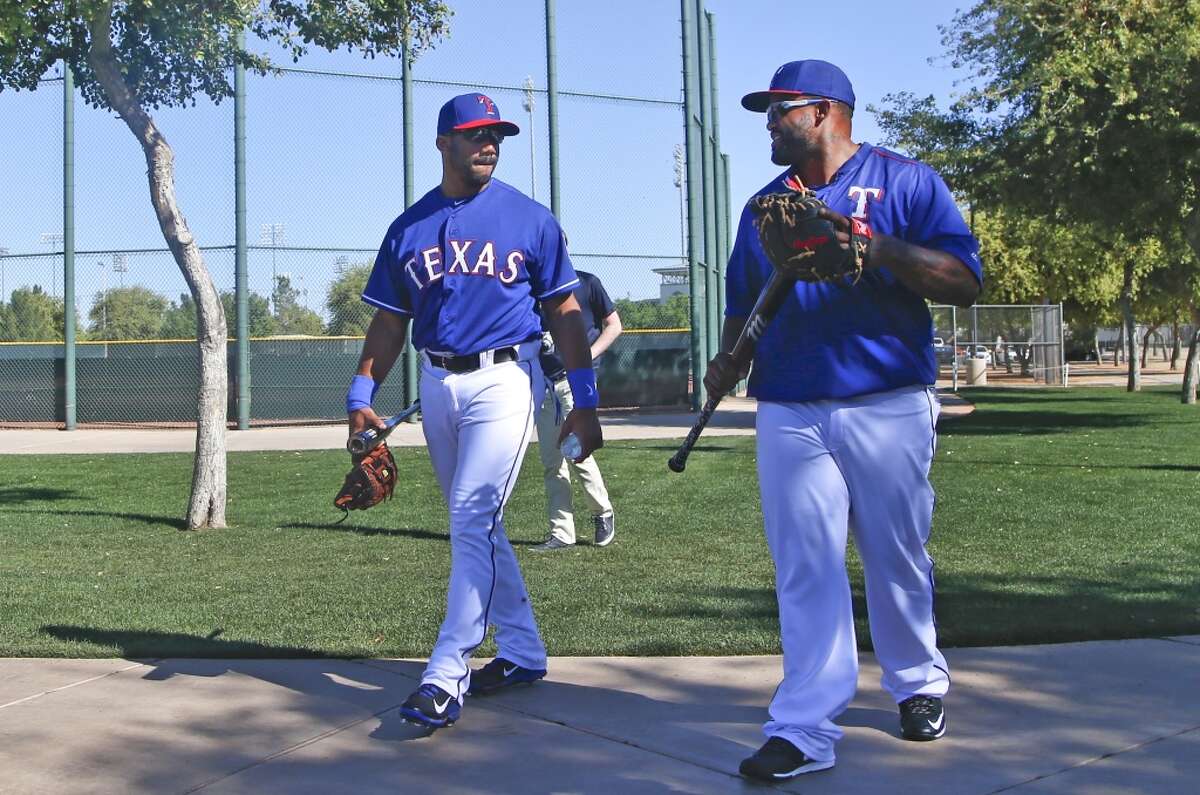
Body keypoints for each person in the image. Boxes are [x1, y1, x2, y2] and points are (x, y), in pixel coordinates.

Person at [704, 60, 982, 782]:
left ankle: (918, 682)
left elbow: (965, 281)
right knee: (805, 563)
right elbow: (745, 299)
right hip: (791, 402)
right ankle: (804, 724)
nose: (768, 122)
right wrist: (729, 356)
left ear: (825, 111)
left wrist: (876, 244)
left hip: (886, 397)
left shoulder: (906, 181)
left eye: (780, 109)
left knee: (895, 553)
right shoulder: (766, 204)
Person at [347, 92, 603, 730]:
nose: (489, 143)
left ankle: (446, 673)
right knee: (478, 527)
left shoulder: (530, 219)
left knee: (469, 514)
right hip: (435, 383)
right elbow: (388, 321)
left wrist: (587, 399)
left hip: (507, 380)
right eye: (475, 133)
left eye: (497, 134)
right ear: (443, 143)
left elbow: (567, 314)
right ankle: (520, 652)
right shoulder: (408, 227)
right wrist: (359, 397)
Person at [531, 269, 622, 550]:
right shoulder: (528, 288)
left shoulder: (587, 283)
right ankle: (562, 532)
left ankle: (602, 512)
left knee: (577, 452)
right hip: (544, 383)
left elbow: (614, 326)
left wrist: (585, 356)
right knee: (551, 460)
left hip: (576, 382)